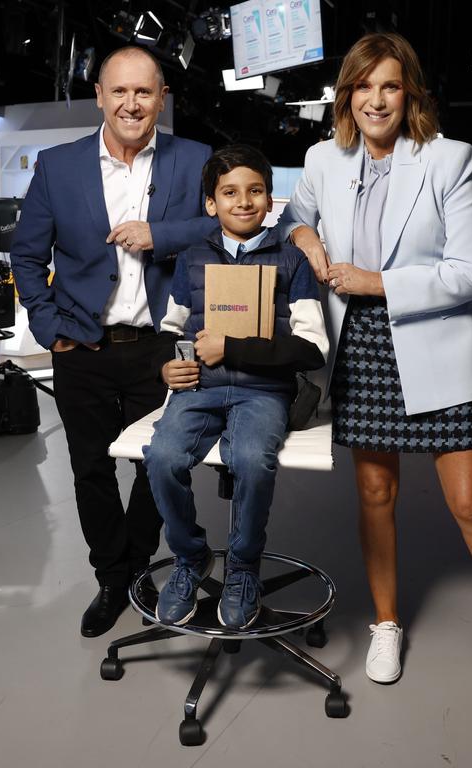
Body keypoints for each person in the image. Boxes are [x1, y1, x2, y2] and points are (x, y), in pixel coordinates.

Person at [278, 32, 472, 691]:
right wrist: (309, 246)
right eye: (363, 86)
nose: (376, 99)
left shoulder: (447, 159)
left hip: (431, 340)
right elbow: (296, 214)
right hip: (361, 348)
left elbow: (471, 273)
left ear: (410, 93)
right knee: (376, 493)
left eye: (390, 85)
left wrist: (374, 280)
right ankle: (386, 623)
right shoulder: (325, 158)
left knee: (471, 502)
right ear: (347, 95)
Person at [10, 47, 219, 638]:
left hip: (161, 348)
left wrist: (161, 233)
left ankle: (135, 567)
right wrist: (49, 329)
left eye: (144, 93)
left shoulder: (196, 159)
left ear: (162, 99)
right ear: (99, 96)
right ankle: (114, 576)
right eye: (119, 92)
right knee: (91, 469)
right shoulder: (57, 167)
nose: (131, 104)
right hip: (83, 347)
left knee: (160, 466)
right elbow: (26, 256)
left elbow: (225, 222)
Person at [142, 144, 328, 630]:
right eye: (229, 192)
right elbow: (170, 327)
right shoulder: (190, 259)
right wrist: (168, 365)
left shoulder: (293, 261)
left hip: (264, 392)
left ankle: (243, 566)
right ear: (211, 203)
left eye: (255, 191)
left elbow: (312, 349)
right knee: (161, 457)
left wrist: (235, 348)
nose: (243, 201)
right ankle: (191, 556)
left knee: (250, 459)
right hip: (198, 388)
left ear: (270, 201)